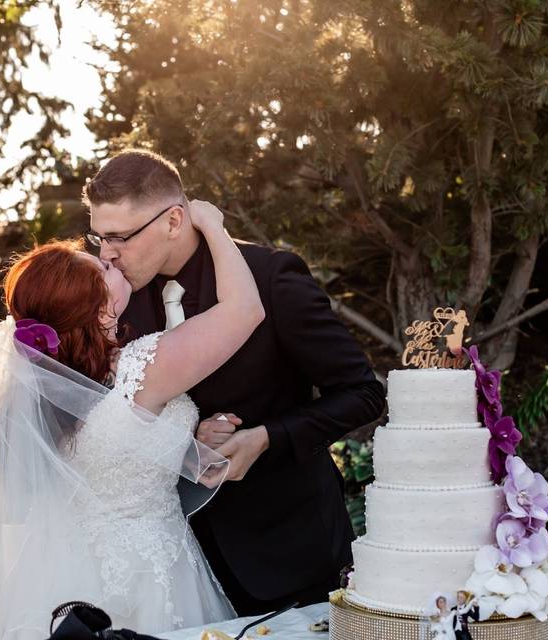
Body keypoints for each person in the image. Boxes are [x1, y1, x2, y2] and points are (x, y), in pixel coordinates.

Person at [0, 199, 262, 638]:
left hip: (53, 573)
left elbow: (115, 452)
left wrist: (191, 440)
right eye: (103, 268)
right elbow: (245, 311)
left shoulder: (57, 388)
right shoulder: (140, 371)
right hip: (148, 572)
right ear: (101, 306)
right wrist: (211, 223)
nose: (111, 258)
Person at [87, 149, 386, 615]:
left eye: (119, 237)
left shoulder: (270, 278)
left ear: (173, 220)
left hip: (288, 551)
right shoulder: (117, 296)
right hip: (173, 563)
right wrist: (186, 437)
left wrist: (267, 438)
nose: (107, 253)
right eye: (99, 237)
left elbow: (364, 394)